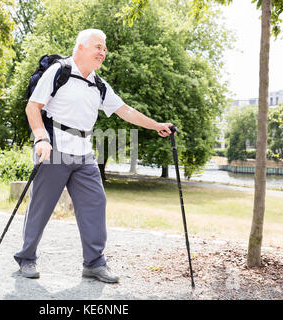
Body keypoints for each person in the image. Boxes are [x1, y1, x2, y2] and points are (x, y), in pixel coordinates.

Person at [14, 29, 173, 283]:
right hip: (55, 149)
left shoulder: (98, 84)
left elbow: (126, 110)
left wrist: (156, 125)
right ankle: (26, 258)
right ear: (80, 47)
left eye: (105, 49)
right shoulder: (59, 71)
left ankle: (94, 263)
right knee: (41, 207)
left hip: (84, 153)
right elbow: (33, 106)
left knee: (96, 204)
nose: (103, 52)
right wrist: (41, 138)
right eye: (98, 47)